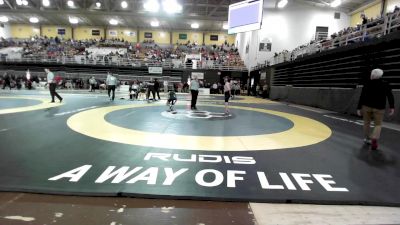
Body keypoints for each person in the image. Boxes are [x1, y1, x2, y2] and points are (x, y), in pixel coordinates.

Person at [357, 68, 395, 150]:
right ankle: (374, 138)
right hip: (379, 107)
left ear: (372, 75)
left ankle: (367, 138)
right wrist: (392, 107)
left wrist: (359, 107)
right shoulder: (385, 84)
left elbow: (362, 96)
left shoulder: (367, 83)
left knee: (366, 123)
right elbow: (390, 96)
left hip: (366, 106)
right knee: (378, 124)